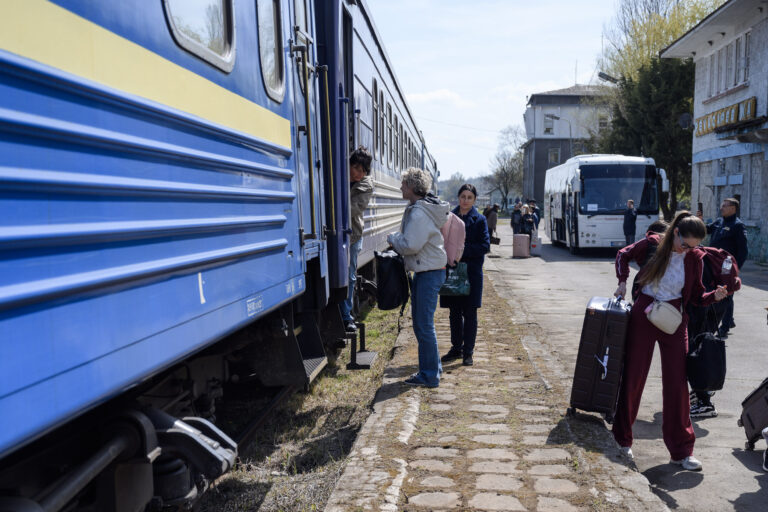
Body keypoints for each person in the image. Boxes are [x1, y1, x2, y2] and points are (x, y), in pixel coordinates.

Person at [612, 212, 728, 472]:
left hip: (675, 318)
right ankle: (621, 440)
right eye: (685, 244)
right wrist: (622, 282)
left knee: (677, 384)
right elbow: (622, 255)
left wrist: (714, 296)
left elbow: (696, 296)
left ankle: (682, 451)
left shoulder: (694, 258)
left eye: (694, 246)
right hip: (645, 312)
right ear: (675, 232)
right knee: (633, 378)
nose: (688, 250)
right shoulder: (653, 244)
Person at [387, 167, 449, 388]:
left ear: (412, 187)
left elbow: (411, 245)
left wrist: (392, 238)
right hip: (429, 270)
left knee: (423, 325)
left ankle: (429, 375)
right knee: (423, 324)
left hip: (429, 272)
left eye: (403, 184)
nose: (400, 187)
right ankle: (432, 370)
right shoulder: (420, 209)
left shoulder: (419, 213)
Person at [440, 184, 491, 367]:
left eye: (469, 197)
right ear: (458, 197)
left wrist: (462, 251)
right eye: (463, 196)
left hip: (471, 274)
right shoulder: (448, 217)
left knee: (470, 313)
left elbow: (485, 245)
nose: (465, 200)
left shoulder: (480, 220)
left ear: (474, 200)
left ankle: (468, 352)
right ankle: (456, 348)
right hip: (452, 271)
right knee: (454, 313)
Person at [697, 198, 748, 339]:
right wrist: (699, 221)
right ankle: (729, 320)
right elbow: (706, 230)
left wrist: (736, 268)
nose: (721, 208)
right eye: (722, 205)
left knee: (727, 294)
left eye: (725, 206)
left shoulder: (738, 226)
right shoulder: (719, 221)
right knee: (717, 292)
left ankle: (724, 327)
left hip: (727, 266)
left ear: (733, 208)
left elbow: (743, 251)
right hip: (714, 264)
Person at [340, 147, 374, 332]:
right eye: (355, 168)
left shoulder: (366, 185)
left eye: (363, 171)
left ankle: (346, 315)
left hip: (353, 234)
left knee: (350, 275)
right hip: (336, 232)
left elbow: (354, 208)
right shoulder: (339, 175)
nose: (358, 174)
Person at [614, 219, 669, 300]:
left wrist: (622, 282)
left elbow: (622, 254)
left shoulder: (647, 241)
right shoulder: (678, 243)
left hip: (643, 290)